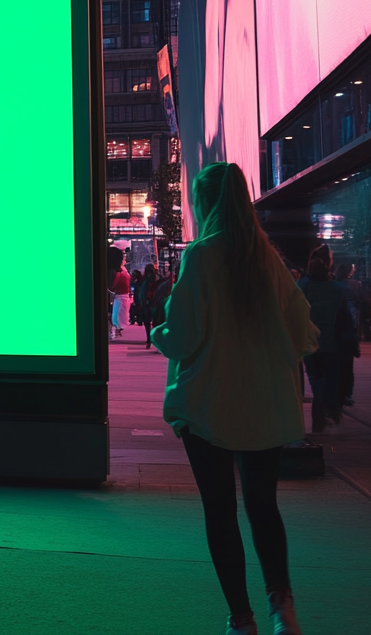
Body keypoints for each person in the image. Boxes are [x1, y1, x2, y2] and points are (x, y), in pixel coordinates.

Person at [151, 162, 316, 635]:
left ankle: (241, 619)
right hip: (265, 404)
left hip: (210, 404)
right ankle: (282, 605)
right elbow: (302, 331)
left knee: (219, 511)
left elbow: (182, 336)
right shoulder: (269, 259)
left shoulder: (201, 256)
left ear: (205, 205)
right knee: (264, 506)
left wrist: (160, 331)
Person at [297, 246, 356, 434]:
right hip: (332, 343)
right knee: (330, 380)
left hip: (310, 343)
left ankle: (320, 419)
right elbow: (345, 318)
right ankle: (328, 410)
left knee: (317, 381)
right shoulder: (337, 289)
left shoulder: (302, 287)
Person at [335, 262, 367, 403]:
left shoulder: (333, 284)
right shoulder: (355, 284)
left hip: (335, 323)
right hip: (351, 319)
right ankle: (347, 393)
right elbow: (361, 300)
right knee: (348, 362)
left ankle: (336, 391)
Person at [109, 263, 131, 339]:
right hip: (125, 295)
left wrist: (110, 289)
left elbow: (114, 284)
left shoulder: (119, 273)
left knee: (116, 314)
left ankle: (117, 329)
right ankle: (119, 329)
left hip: (119, 295)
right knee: (122, 314)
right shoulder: (127, 274)